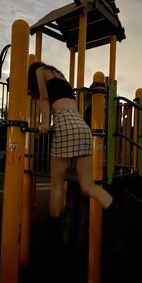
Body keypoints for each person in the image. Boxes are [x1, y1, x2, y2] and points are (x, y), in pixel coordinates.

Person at [28, 61, 114, 220]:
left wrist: (45, 123)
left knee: (57, 184)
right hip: (83, 127)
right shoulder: (60, 77)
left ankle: (54, 223)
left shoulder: (39, 71)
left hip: (66, 125)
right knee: (88, 186)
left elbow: (44, 98)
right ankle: (115, 209)